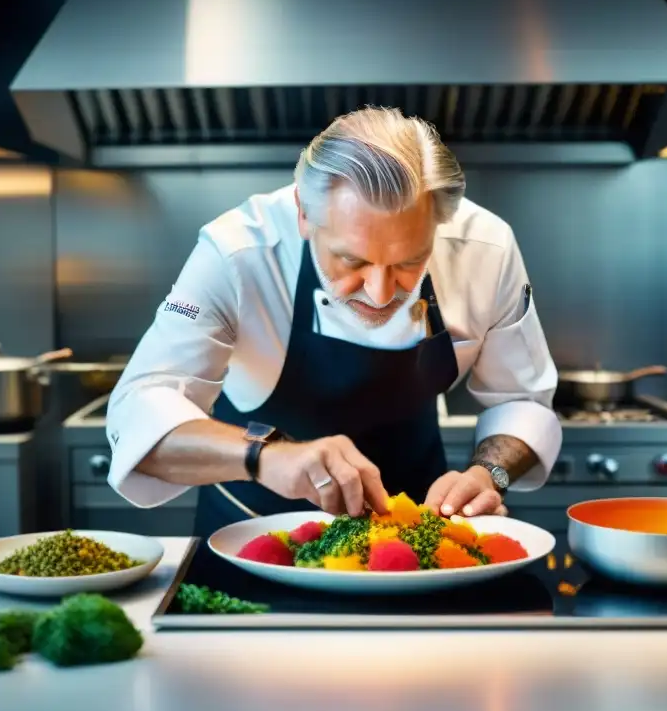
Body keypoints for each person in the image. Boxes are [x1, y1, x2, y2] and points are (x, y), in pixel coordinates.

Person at [105, 106, 562, 537]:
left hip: (412, 540)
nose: (381, 293)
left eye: (410, 262)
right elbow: (139, 411)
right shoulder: (237, 253)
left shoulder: (486, 249)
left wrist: (490, 474)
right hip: (252, 535)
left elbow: (520, 399)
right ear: (304, 213)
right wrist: (265, 456)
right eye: (351, 260)